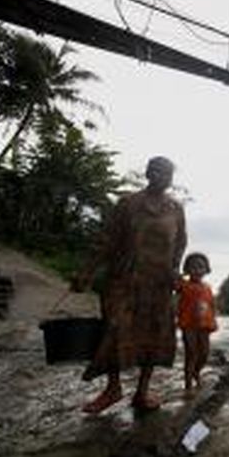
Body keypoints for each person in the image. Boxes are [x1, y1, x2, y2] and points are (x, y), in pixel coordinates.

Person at [71, 156, 187, 413]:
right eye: (155, 170)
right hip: (124, 279)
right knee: (113, 330)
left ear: (171, 179)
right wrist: (86, 272)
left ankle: (142, 393)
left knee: (155, 335)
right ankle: (113, 389)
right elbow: (107, 240)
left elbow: (180, 244)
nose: (160, 176)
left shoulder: (176, 209)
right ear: (147, 173)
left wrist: (175, 271)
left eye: (166, 173)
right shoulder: (128, 204)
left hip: (159, 284)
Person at [176, 252, 218, 393]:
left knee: (204, 353)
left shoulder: (207, 288)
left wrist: (213, 322)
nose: (197, 270)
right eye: (193, 267)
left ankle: (196, 372)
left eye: (200, 267)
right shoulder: (184, 285)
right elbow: (173, 282)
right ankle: (188, 383)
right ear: (187, 270)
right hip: (188, 324)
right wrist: (178, 276)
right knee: (191, 353)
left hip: (204, 325)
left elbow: (211, 306)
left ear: (206, 270)